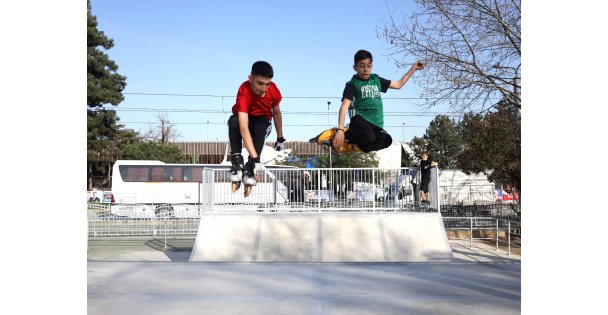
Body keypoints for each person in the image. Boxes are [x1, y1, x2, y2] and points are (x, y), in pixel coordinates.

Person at [333, 50, 425, 152]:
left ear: (372, 66)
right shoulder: (352, 84)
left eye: (368, 66)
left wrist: (413, 69)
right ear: (355, 67)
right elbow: (344, 106)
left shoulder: (376, 80)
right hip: (359, 119)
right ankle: (345, 135)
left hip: (375, 124)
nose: (365, 69)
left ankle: (357, 145)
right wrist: (340, 130)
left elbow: (398, 85)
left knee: (387, 140)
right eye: (362, 66)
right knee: (369, 137)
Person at [227, 61, 285, 187]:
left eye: (267, 84)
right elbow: (243, 128)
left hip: (262, 121)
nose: (263, 89)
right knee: (233, 121)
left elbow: (277, 114)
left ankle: (250, 166)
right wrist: (256, 158)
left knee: (261, 126)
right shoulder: (244, 90)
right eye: (259, 83)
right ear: (250, 79)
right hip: (245, 120)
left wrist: (280, 138)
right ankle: (237, 162)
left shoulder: (273, 90)